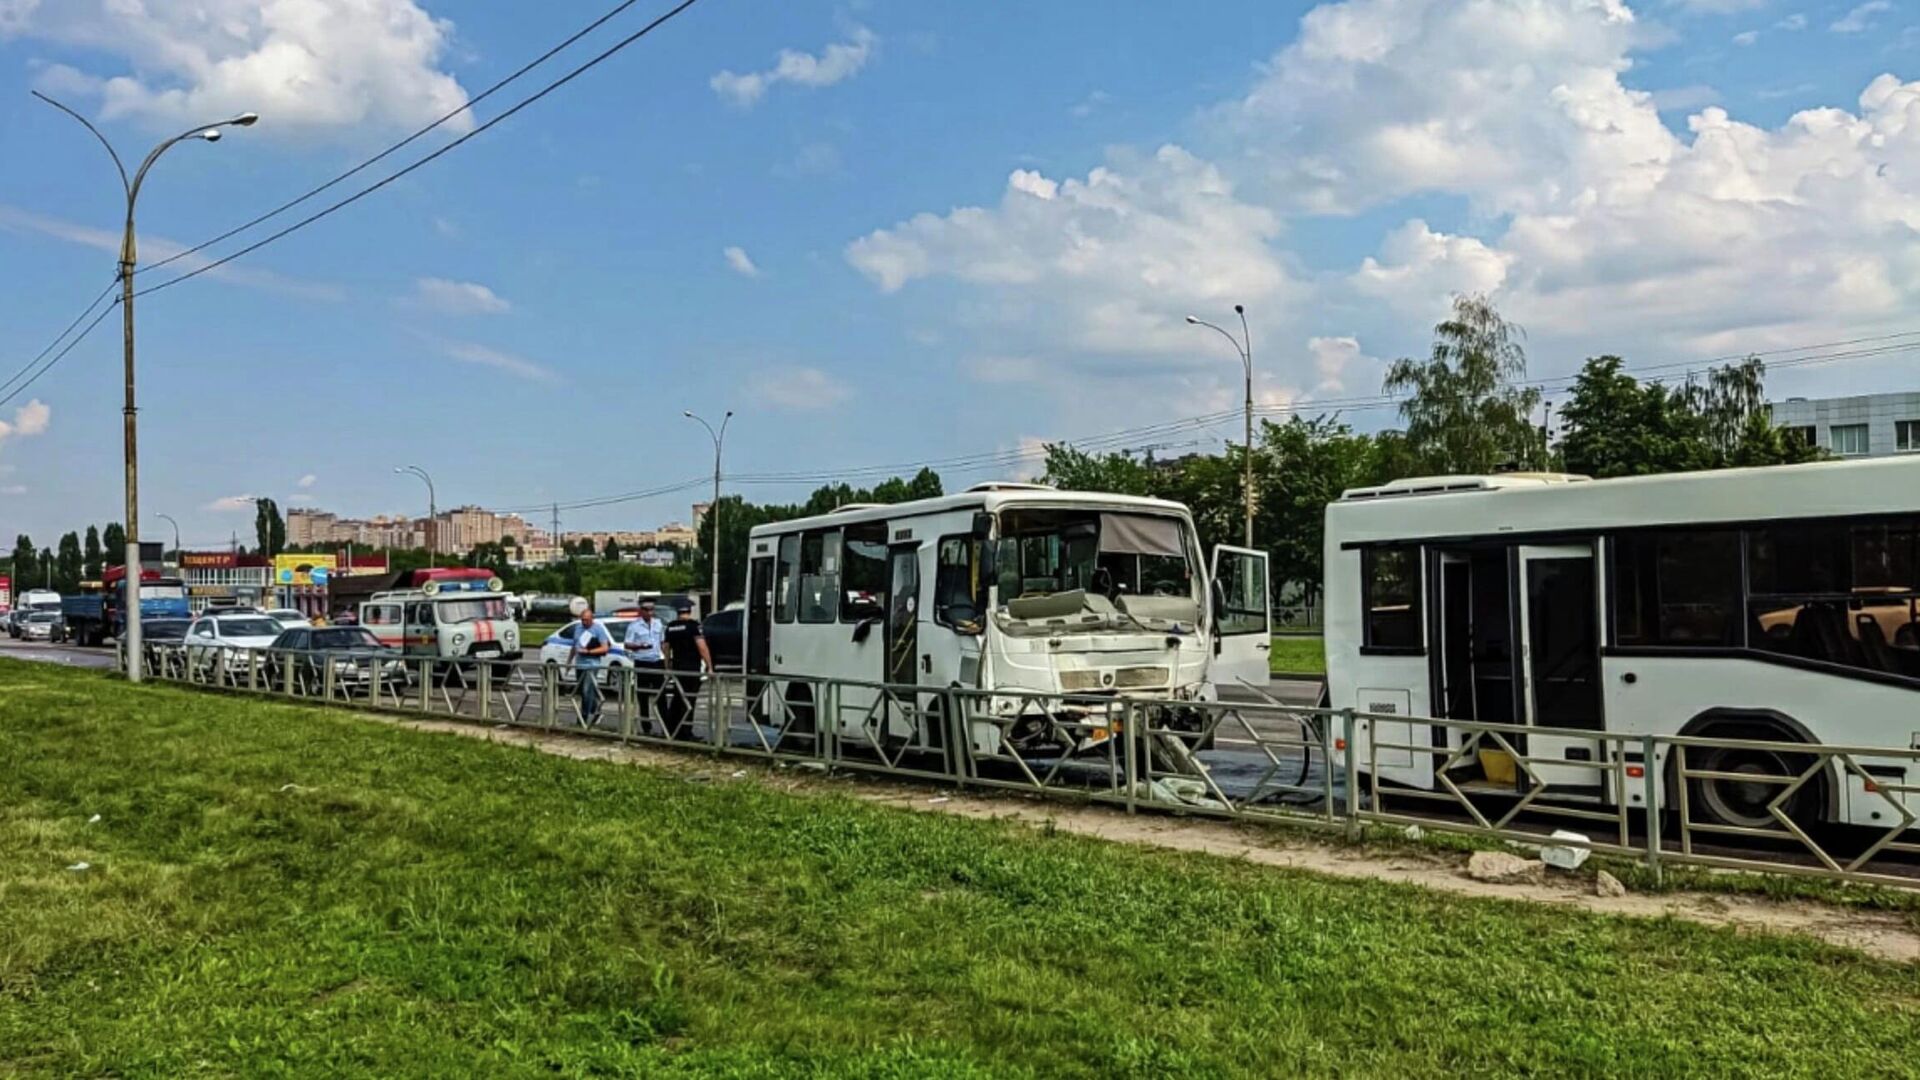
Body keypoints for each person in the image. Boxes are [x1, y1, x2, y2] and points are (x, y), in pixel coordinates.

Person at [660, 600, 712, 737]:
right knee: (689, 700)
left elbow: (666, 648)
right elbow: (702, 647)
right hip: (691, 668)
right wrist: (709, 666)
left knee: (678, 698)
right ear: (689, 611)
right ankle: (686, 731)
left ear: (678, 612)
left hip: (677, 667)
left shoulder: (671, 627)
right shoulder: (694, 626)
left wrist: (667, 665)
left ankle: (671, 729)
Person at [622, 599, 668, 735]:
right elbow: (627, 644)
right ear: (641, 611)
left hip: (656, 661)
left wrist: (666, 661)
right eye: (646, 610)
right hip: (642, 662)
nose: (649, 612)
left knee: (661, 695)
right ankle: (646, 726)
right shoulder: (634, 626)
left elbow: (663, 642)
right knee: (643, 696)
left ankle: (666, 727)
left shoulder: (658, 624)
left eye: (652, 609)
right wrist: (640, 646)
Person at [570, 607, 613, 727]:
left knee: (586, 690)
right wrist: (570, 661)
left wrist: (589, 651)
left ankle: (582, 719)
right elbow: (575, 646)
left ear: (592, 619)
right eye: (582, 620)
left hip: (592, 664)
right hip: (579, 664)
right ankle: (596, 711)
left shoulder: (598, 629)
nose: (584, 622)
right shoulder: (578, 628)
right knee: (585, 692)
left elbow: (605, 648)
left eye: (587, 620)